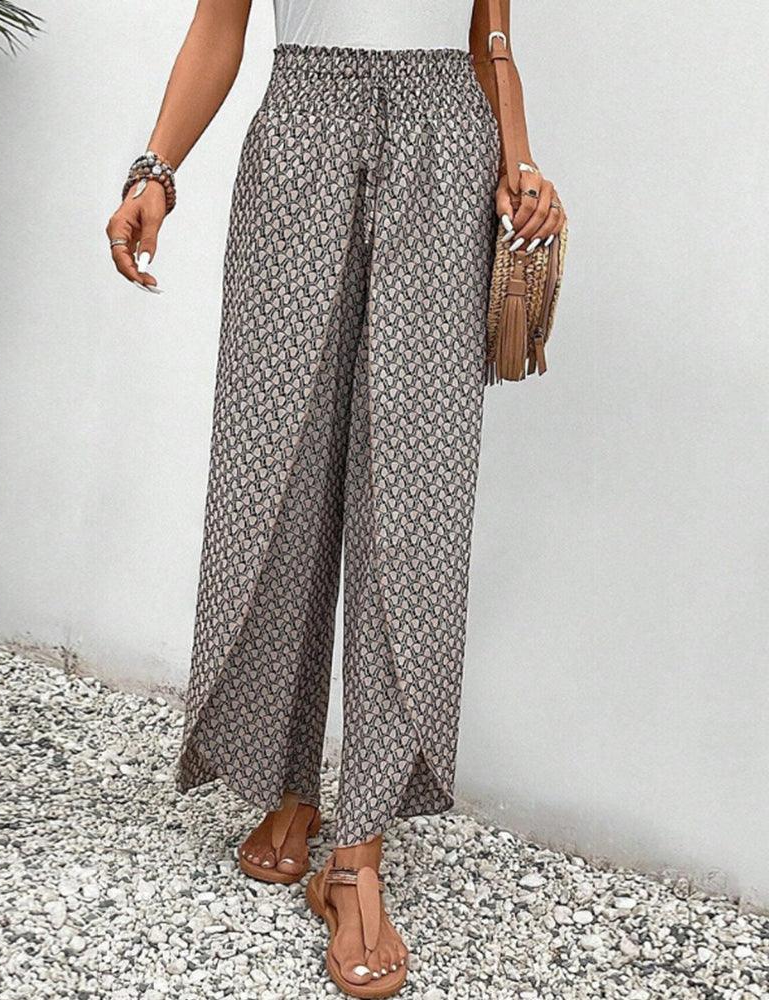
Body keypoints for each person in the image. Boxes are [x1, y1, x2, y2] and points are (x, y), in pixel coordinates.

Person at [106, 2, 564, 996]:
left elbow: (489, 36)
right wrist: (156, 169)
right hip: (299, 131)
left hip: (447, 144)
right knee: (274, 470)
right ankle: (286, 781)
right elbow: (219, 25)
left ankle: (357, 854)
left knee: (414, 498)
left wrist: (519, 162)